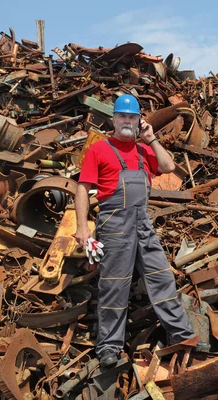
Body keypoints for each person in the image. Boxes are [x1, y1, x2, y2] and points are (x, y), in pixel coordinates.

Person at [74, 94, 194, 368]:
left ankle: (183, 336)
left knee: (162, 278)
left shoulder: (144, 151)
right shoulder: (99, 150)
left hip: (143, 225)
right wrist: (83, 227)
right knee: (115, 287)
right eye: (122, 117)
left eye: (132, 117)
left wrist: (151, 139)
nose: (127, 121)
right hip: (114, 226)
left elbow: (168, 167)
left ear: (139, 121)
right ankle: (108, 348)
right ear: (113, 120)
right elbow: (82, 188)